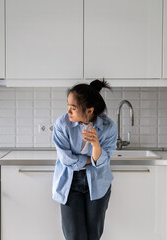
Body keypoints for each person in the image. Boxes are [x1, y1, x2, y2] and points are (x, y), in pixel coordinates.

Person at [52, 79, 118, 240]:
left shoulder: (108, 127)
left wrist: (96, 145)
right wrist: (91, 160)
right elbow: (67, 160)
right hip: (70, 183)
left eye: (73, 108)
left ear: (89, 110)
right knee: (74, 236)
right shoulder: (62, 124)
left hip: (97, 184)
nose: (68, 112)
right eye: (68, 106)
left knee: (93, 236)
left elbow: (104, 160)